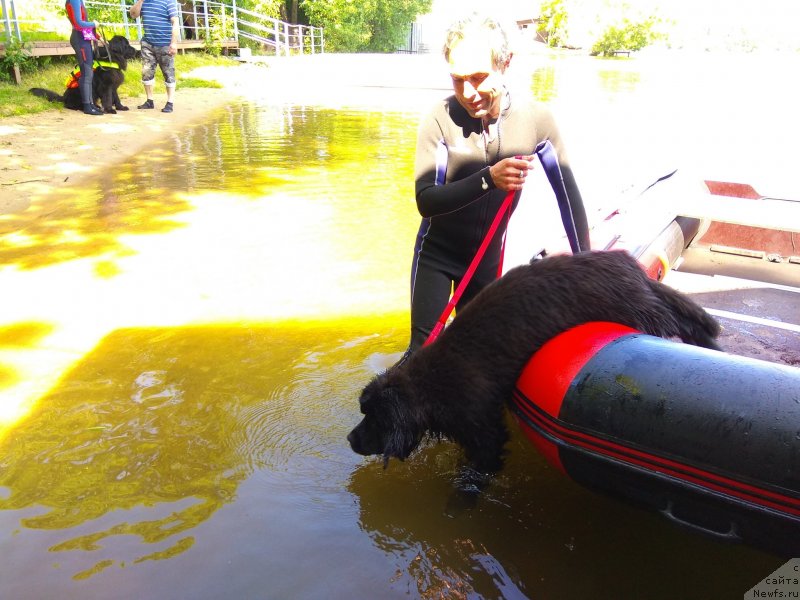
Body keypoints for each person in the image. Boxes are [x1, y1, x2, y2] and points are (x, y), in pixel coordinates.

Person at [407, 13, 591, 353]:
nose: (468, 92)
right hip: (436, 256)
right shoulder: (439, 117)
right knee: (421, 354)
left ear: (505, 63)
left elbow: (568, 198)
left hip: (485, 264)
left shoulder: (536, 120)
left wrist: (590, 267)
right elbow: (426, 200)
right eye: (457, 79)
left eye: (478, 77)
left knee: (474, 358)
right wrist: (488, 179)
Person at [129, 0, 179, 113]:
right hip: (147, 43)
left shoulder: (168, 1)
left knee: (168, 73)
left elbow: (175, 22)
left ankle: (170, 102)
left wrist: (174, 43)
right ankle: (149, 101)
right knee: (146, 72)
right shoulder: (143, 2)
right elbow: (133, 15)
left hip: (165, 44)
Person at [65, 0, 103, 115]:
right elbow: (78, 23)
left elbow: (81, 25)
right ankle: (87, 106)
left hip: (82, 38)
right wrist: (94, 24)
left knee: (88, 72)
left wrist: (96, 35)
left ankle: (90, 104)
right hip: (79, 40)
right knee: (86, 73)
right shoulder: (75, 1)